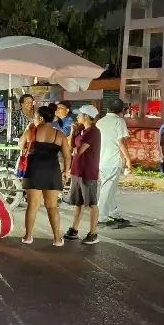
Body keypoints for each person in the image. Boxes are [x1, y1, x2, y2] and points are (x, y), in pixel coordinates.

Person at [19, 104, 69, 245]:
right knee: (52, 206)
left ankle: (28, 237)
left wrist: (27, 130)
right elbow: (67, 156)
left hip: (33, 170)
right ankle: (57, 239)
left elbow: (21, 145)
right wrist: (66, 171)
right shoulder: (59, 134)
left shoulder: (32, 131)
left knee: (32, 205)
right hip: (52, 171)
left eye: (35, 117)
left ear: (40, 118)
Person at [64, 105, 102, 245]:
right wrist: (73, 132)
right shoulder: (80, 130)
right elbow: (70, 147)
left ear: (86, 116)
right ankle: (74, 229)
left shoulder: (93, 132)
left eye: (79, 115)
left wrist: (74, 148)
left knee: (92, 203)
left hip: (88, 171)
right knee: (78, 202)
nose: (77, 117)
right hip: (77, 170)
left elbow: (79, 150)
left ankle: (93, 233)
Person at [96, 97, 132, 225]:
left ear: (107, 109)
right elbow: (121, 142)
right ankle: (101, 216)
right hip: (113, 160)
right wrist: (128, 160)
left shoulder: (99, 122)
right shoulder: (119, 121)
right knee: (107, 188)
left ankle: (113, 212)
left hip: (100, 159)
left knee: (108, 187)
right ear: (121, 110)